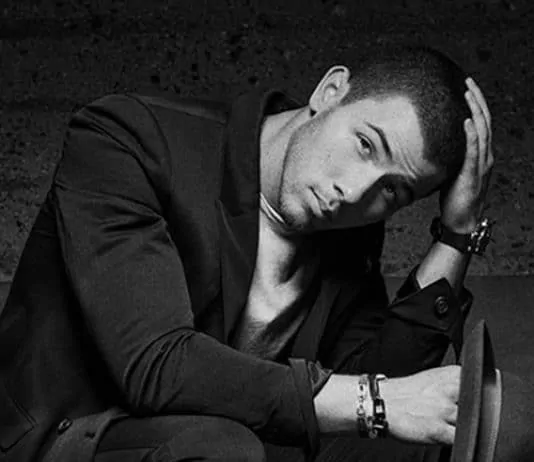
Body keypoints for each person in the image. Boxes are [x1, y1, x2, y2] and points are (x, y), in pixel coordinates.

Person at [0, 45, 493, 462]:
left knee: (456, 428)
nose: (355, 191)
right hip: (70, 437)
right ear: (330, 91)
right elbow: (156, 365)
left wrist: (456, 236)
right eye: (365, 144)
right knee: (223, 447)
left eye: (393, 191)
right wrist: (376, 402)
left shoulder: (352, 228)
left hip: (234, 441)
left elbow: (384, 389)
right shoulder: (130, 139)